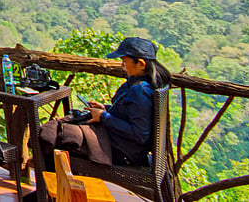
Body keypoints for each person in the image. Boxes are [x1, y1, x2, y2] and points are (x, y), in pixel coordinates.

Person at [39, 36, 172, 173]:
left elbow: (139, 134)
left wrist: (104, 117)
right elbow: (129, 113)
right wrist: (106, 109)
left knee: (57, 138)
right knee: (58, 132)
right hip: (121, 144)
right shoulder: (138, 84)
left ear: (141, 64)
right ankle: (53, 189)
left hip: (124, 152)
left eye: (125, 62)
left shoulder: (141, 91)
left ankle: (49, 191)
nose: (122, 65)